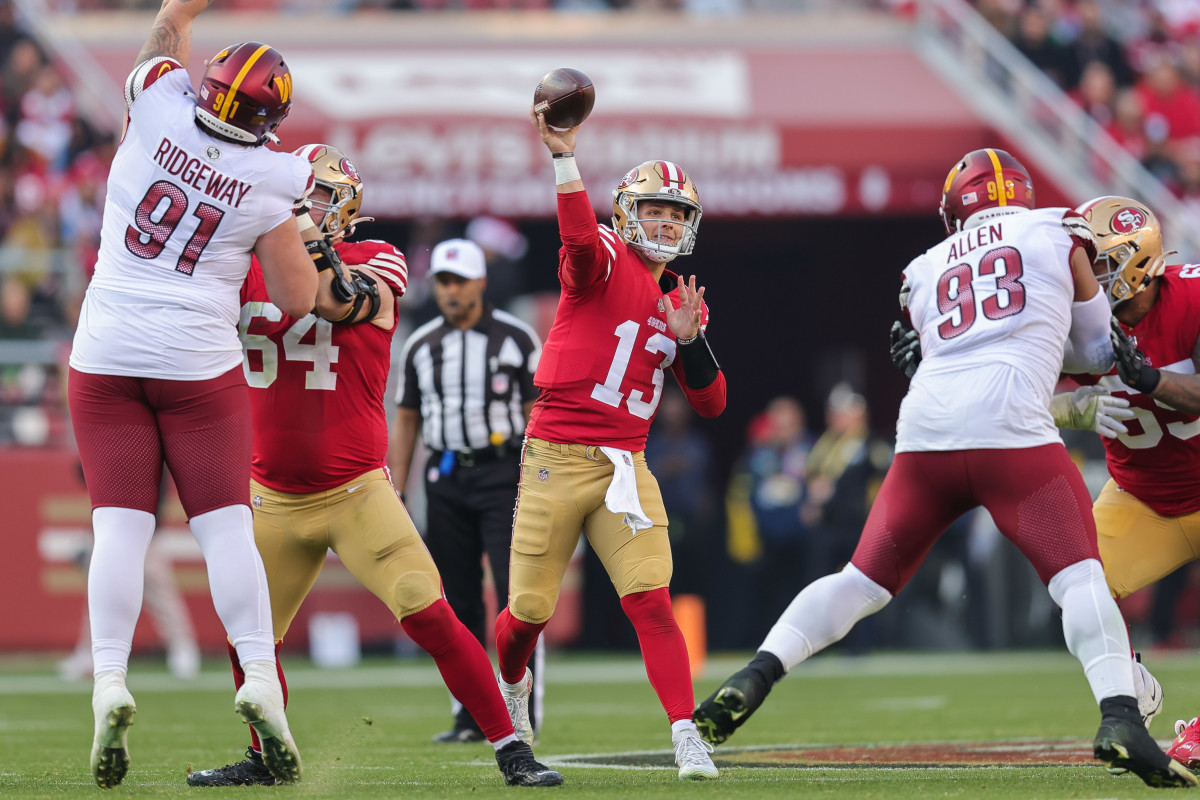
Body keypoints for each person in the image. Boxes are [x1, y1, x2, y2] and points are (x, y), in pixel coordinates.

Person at [691, 148, 1197, 789]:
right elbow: (1099, 348)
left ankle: (757, 672)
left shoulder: (924, 268)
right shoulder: (1056, 228)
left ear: (957, 207)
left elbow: (939, 343)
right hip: (1013, 431)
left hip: (925, 431)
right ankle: (1121, 715)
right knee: (1079, 579)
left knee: (861, 581)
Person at [186, 146, 562, 788]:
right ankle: (266, 753)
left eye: (317, 197)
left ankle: (511, 748)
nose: (305, 207)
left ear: (348, 206)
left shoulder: (374, 258)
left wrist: (291, 225)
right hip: (271, 490)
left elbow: (329, 301)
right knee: (246, 633)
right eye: (296, 196)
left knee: (429, 610)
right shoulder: (237, 267)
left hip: (356, 488)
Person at [66, 0, 337, 787]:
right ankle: (258, 677)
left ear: (208, 87)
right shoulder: (273, 175)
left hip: (107, 347)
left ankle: (109, 681)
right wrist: (293, 233)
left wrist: (180, 8)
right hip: (195, 361)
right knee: (223, 529)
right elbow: (294, 299)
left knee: (118, 527)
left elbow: (164, 40)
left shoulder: (153, 105)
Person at [491, 107, 726, 781]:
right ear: (627, 213)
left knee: (651, 598)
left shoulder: (681, 300)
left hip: (627, 463)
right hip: (557, 455)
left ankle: (686, 734)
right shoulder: (601, 257)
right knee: (529, 611)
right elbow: (577, 241)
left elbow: (712, 403)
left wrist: (691, 339)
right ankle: (513, 685)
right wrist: (564, 160)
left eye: (677, 215)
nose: (666, 225)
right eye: (655, 210)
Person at [389, 237, 545, 745]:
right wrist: (394, 488)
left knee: (515, 597)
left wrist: (539, 479)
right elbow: (407, 420)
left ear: (481, 281)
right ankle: (468, 713)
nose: (450, 291)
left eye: (459, 280)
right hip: (445, 477)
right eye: (443, 281)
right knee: (454, 603)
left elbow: (535, 416)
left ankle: (525, 710)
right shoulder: (421, 344)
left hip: (504, 476)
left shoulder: (517, 339)